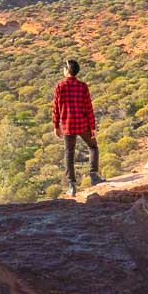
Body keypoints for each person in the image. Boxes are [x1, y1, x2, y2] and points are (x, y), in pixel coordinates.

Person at [52, 58, 100, 195]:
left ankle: (72, 186)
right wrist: (92, 127)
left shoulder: (60, 86)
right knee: (93, 147)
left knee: (69, 153)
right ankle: (94, 176)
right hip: (83, 123)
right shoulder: (82, 86)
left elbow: (56, 108)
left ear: (67, 70)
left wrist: (56, 126)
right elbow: (88, 107)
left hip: (67, 125)